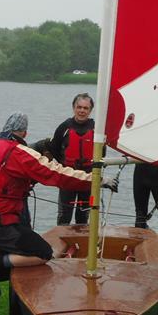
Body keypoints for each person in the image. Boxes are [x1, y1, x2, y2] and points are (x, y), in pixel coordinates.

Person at [0, 113, 116, 315]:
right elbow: (56, 174)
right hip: (3, 220)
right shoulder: (18, 153)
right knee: (43, 253)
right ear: (23, 133)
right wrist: (97, 180)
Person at [49, 93, 95, 225]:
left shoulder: (96, 128)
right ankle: (62, 244)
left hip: (87, 177)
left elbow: (101, 152)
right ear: (73, 108)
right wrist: (64, 163)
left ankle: (81, 244)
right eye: (79, 107)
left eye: (85, 108)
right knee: (64, 216)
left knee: (83, 216)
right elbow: (54, 148)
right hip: (67, 177)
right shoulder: (64, 127)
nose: (82, 111)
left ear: (90, 110)